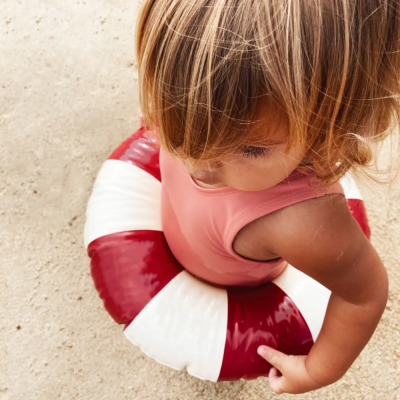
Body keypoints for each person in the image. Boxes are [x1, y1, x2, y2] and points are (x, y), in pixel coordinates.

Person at [134, 0, 400, 394]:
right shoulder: (196, 107)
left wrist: (318, 371)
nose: (197, 160)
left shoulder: (303, 223)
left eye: (251, 149)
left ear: (326, 129)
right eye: (176, 114)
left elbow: (364, 295)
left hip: (237, 280)